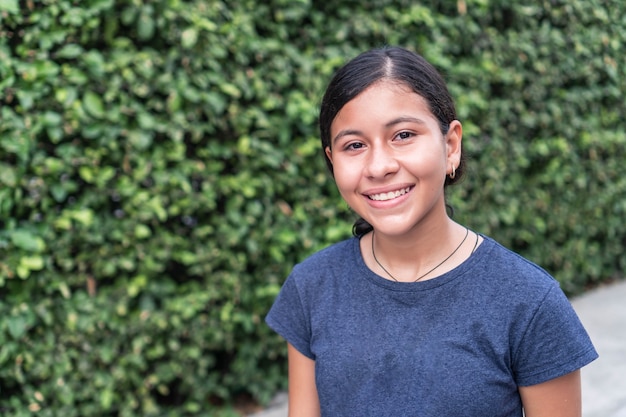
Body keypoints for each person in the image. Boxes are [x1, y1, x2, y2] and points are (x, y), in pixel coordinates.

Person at [265, 46, 598, 417]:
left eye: (404, 135)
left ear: (451, 145)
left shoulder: (528, 302)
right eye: (355, 145)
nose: (379, 166)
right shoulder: (312, 286)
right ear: (332, 160)